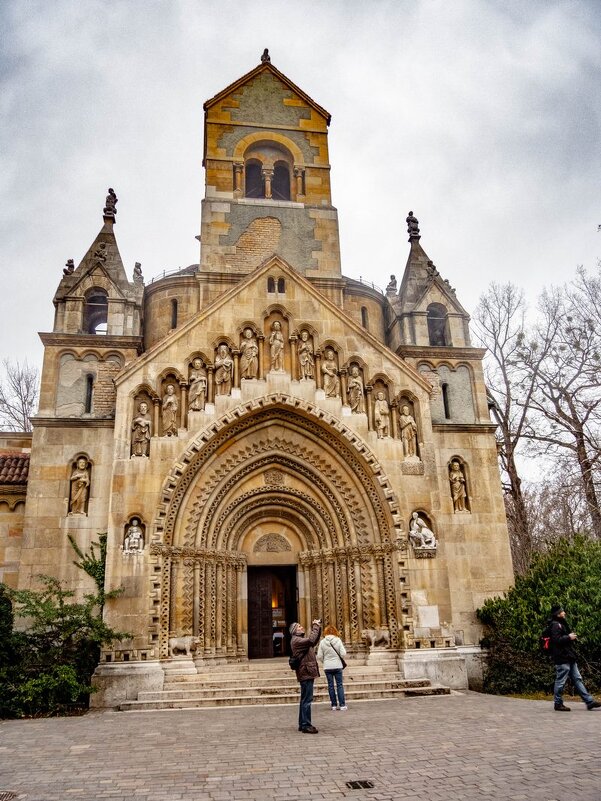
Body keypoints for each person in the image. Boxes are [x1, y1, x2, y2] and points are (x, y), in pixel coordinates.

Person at [549, 604, 601, 712]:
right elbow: (556, 640)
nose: (564, 613)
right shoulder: (555, 624)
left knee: (577, 679)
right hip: (562, 658)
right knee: (560, 681)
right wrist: (569, 637)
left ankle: (589, 702)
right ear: (558, 614)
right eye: (562, 611)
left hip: (569, 657)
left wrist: (569, 637)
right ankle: (558, 704)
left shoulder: (561, 623)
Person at [290, 619, 321, 733]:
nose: (301, 627)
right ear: (294, 631)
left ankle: (302, 723)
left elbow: (313, 641)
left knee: (304, 699)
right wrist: (315, 626)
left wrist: (318, 628)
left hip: (306, 671)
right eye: (298, 626)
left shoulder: (301, 640)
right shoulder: (297, 640)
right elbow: (311, 640)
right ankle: (306, 724)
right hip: (306, 672)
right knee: (307, 700)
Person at [317, 624, 348, 711]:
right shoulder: (338, 640)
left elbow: (319, 655)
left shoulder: (322, 642)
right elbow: (343, 653)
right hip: (337, 665)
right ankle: (342, 705)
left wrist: (325, 661)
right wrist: (338, 658)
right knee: (339, 685)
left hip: (327, 667)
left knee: (330, 686)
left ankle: (333, 705)